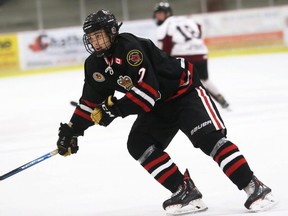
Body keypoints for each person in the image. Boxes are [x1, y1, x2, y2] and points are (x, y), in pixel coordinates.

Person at [56, 9, 276, 215]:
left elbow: (147, 93)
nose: (94, 41)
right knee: (138, 144)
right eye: (91, 37)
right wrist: (72, 130)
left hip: (183, 92)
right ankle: (185, 191)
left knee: (210, 139)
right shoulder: (94, 65)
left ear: (113, 32)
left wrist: (114, 110)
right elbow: (88, 102)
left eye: (98, 36)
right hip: (158, 104)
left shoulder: (130, 49)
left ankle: (254, 186)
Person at [153, 2, 230, 109]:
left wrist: (163, 62)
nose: (158, 16)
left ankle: (185, 106)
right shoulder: (186, 20)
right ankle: (220, 99)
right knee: (203, 79)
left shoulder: (165, 26)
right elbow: (199, 27)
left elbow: (165, 47)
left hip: (184, 56)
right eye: (157, 13)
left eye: (160, 13)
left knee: (181, 82)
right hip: (201, 52)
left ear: (167, 13)